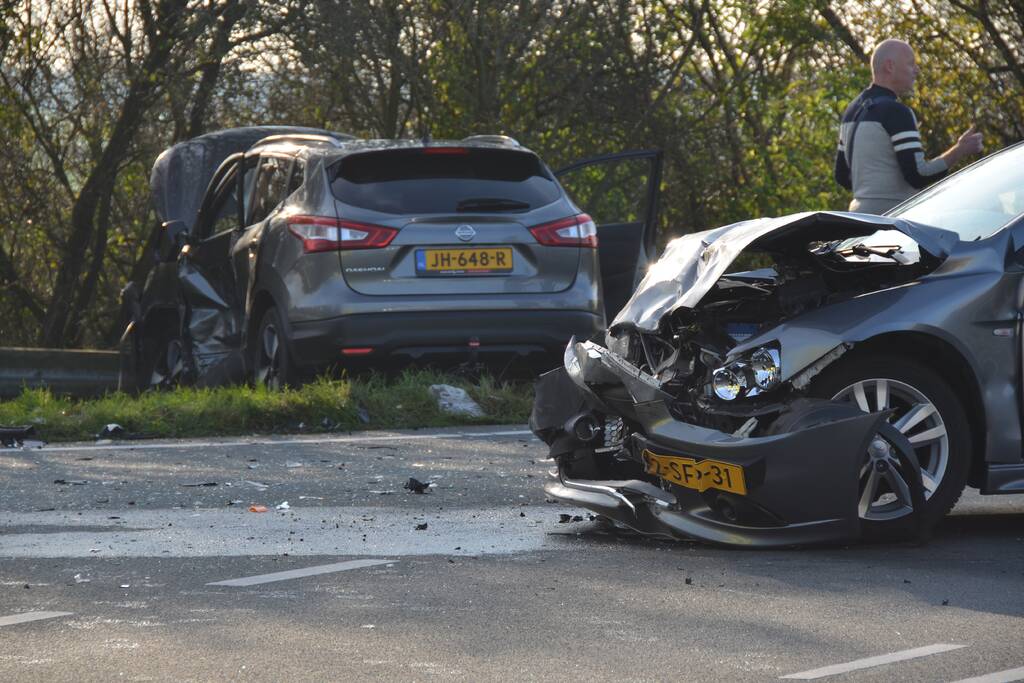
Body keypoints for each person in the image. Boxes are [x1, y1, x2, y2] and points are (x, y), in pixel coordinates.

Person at [834, 38, 984, 214]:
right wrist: (960, 150)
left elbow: (842, 176)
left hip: (858, 218)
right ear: (890, 66)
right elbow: (918, 176)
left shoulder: (851, 111)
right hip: (893, 220)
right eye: (911, 64)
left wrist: (871, 190)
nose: (916, 70)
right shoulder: (896, 112)